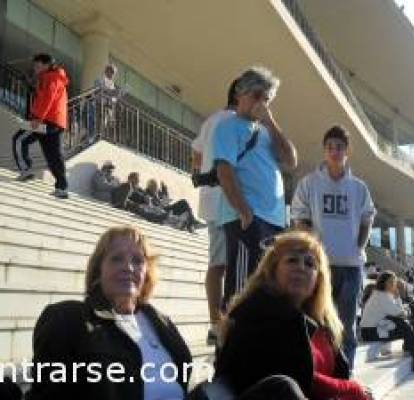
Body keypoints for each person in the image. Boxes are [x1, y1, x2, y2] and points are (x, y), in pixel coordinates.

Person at [25, 226, 193, 400]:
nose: (128, 267)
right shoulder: (67, 319)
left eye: (137, 260)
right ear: (99, 270)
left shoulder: (162, 322)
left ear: (147, 272)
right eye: (117, 259)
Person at [215, 230, 373, 400]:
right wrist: (351, 388)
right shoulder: (254, 312)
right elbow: (295, 377)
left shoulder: (321, 323)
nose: (301, 267)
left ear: (318, 279)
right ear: (272, 270)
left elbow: (339, 375)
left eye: (310, 263)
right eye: (292, 260)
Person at [291, 125, 376, 370]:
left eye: (339, 147)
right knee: (316, 323)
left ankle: (344, 377)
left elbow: (367, 219)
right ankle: (315, 375)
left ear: (346, 151)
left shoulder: (359, 188)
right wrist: (312, 249)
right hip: (319, 265)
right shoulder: (310, 183)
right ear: (324, 150)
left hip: (351, 267)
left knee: (346, 327)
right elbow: (300, 218)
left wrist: (358, 246)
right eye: (329, 147)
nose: (334, 151)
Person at [213, 67, 297, 308]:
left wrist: (271, 122)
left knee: (265, 288)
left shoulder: (267, 132)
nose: (262, 102)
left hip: (273, 221)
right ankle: (231, 342)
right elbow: (224, 171)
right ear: (241, 94)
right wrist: (244, 211)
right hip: (248, 219)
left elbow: (291, 160)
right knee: (241, 292)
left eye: (267, 98)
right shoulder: (227, 126)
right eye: (257, 95)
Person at [191, 79, 238, 344]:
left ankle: (214, 324)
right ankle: (222, 325)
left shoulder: (211, 121)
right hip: (228, 201)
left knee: (217, 265)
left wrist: (198, 175)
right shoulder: (235, 122)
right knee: (228, 266)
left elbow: (196, 152)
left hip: (211, 200)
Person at [12, 53, 69, 198]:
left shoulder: (50, 77)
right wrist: (30, 85)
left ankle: (26, 171)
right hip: (57, 122)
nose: (35, 69)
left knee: (19, 139)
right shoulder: (56, 77)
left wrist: (37, 118)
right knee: (53, 155)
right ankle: (62, 188)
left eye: (38, 66)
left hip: (45, 120)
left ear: (47, 65)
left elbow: (47, 99)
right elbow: (43, 96)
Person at [359, 271, 414, 370]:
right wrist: (398, 298)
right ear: (383, 283)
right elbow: (401, 314)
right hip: (371, 332)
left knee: (404, 325)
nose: (393, 285)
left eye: (394, 282)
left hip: (374, 330)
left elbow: (400, 313)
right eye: (390, 282)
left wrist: (398, 301)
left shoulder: (382, 294)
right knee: (404, 325)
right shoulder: (381, 296)